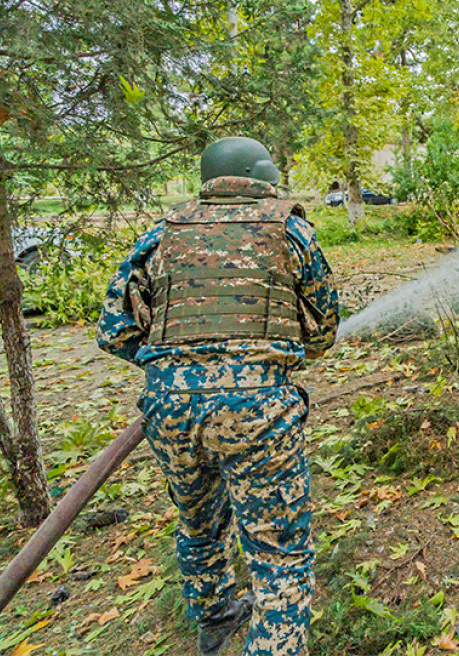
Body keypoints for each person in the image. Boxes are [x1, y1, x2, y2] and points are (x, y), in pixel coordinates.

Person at [97, 136, 339, 655]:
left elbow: (114, 332)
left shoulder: (161, 234)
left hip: (170, 411)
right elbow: (322, 332)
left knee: (198, 524)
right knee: (279, 555)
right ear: (262, 176)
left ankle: (215, 618)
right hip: (257, 412)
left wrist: (177, 372)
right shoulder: (290, 231)